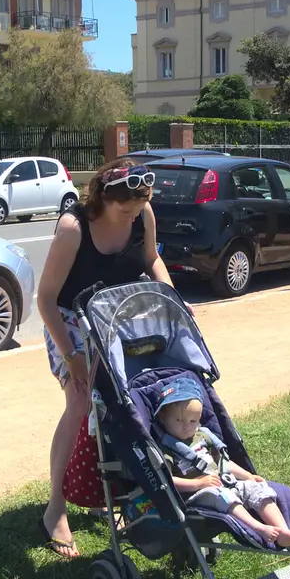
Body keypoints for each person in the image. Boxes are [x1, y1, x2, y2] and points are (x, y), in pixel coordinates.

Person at [37, 160, 180, 558]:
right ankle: (55, 508)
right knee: (81, 404)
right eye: (125, 211)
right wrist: (70, 357)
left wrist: (170, 299)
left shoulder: (143, 211)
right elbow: (45, 300)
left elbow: (151, 259)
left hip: (117, 318)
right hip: (69, 322)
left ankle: (108, 494)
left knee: (124, 405)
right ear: (103, 197)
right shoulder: (73, 229)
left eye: (138, 209)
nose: (133, 215)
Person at [152, 375, 290, 548]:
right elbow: (166, 480)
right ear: (162, 417)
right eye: (178, 420)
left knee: (256, 488)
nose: (186, 426)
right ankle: (259, 528)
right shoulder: (166, 449)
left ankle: (283, 530)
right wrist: (198, 483)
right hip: (197, 495)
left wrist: (248, 475)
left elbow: (223, 463)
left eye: (192, 421)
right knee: (223, 496)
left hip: (224, 483)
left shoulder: (202, 437)